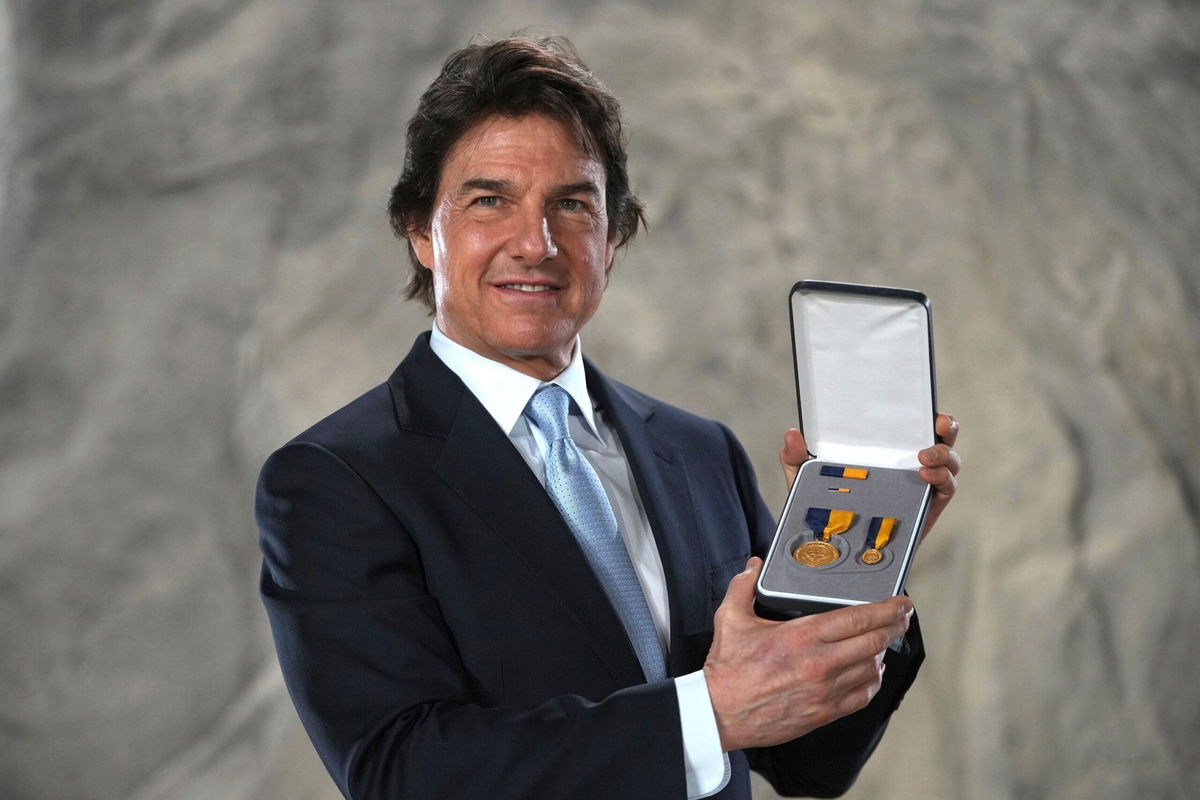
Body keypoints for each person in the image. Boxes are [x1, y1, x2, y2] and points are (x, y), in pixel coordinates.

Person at [256, 34, 960, 800]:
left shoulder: (699, 454)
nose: (537, 243)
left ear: (614, 235)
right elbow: (405, 772)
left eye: (572, 204)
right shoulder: (336, 480)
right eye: (491, 200)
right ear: (422, 231)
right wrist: (708, 713)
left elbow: (805, 763)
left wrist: (861, 562)